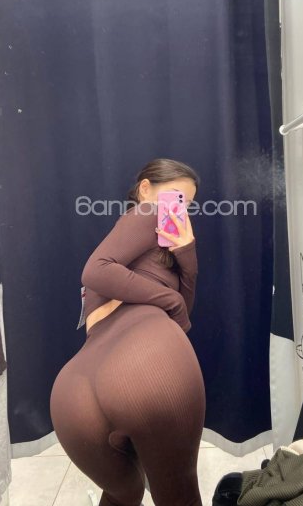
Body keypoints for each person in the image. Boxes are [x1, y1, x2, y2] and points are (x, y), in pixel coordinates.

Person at [50, 158, 206, 506]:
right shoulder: (147, 212)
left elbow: (182, 316)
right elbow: (96, 270)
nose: (180, 211)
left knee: (123, 494)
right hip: (144, 359)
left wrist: (186, 255)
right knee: (179, 496)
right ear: (145, 189)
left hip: (74, 389)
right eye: (176, 198)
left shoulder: (154, 247)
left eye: (188, 205)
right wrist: (170, 298)